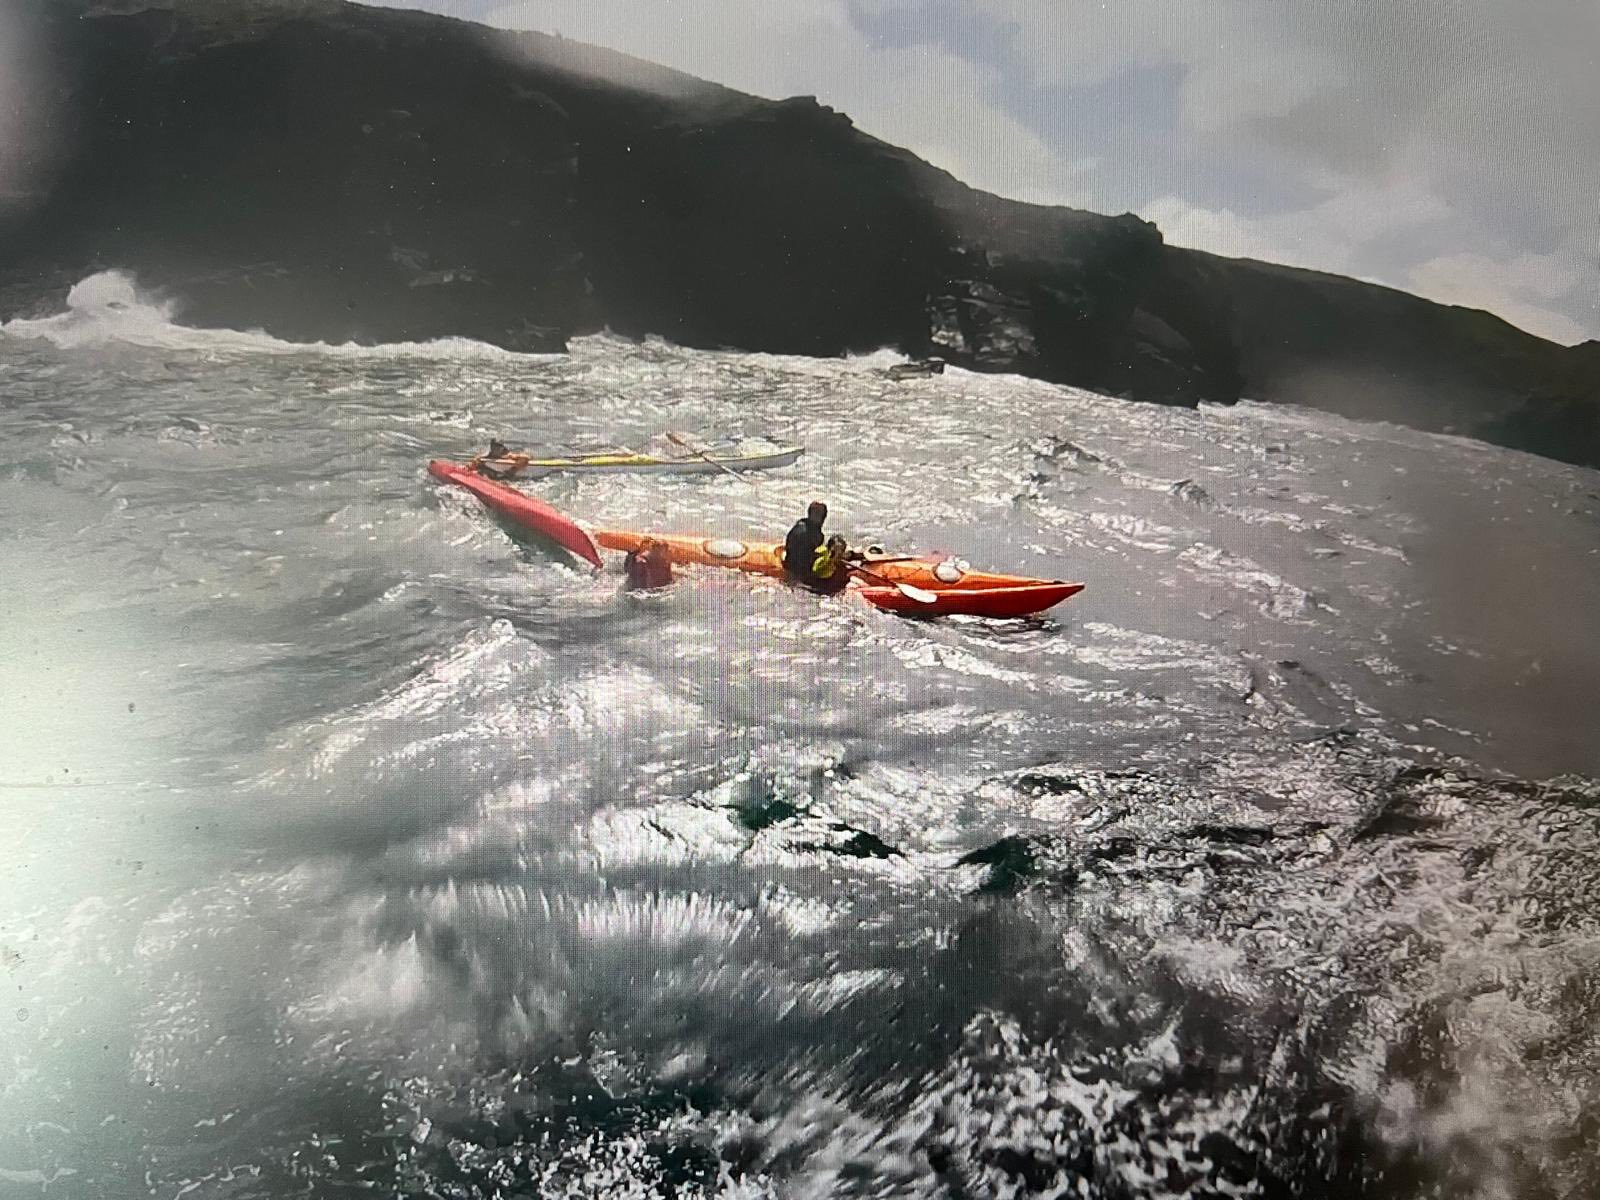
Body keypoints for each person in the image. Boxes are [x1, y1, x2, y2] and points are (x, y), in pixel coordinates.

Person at [783, 501, 829, 586]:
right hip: (802, 573)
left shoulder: (799, 525)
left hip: (789, 564)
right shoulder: (817, 536)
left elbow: (788, 545)